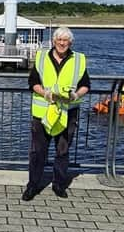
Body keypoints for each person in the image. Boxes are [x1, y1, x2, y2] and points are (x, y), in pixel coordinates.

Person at [23, 26, 90, 201]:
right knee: (37, 152)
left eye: (65, 40)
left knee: (62, 151)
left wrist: (76, 95)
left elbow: (86, 85)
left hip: (68, 113)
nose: (62, 43)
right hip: (43, 112)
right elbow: (32, 82)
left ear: (70, 42)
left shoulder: (79, 60)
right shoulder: (41, 57)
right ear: (53, 41)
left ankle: (59, 184)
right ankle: (33, 185)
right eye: (59, 39)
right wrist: (44, 93)